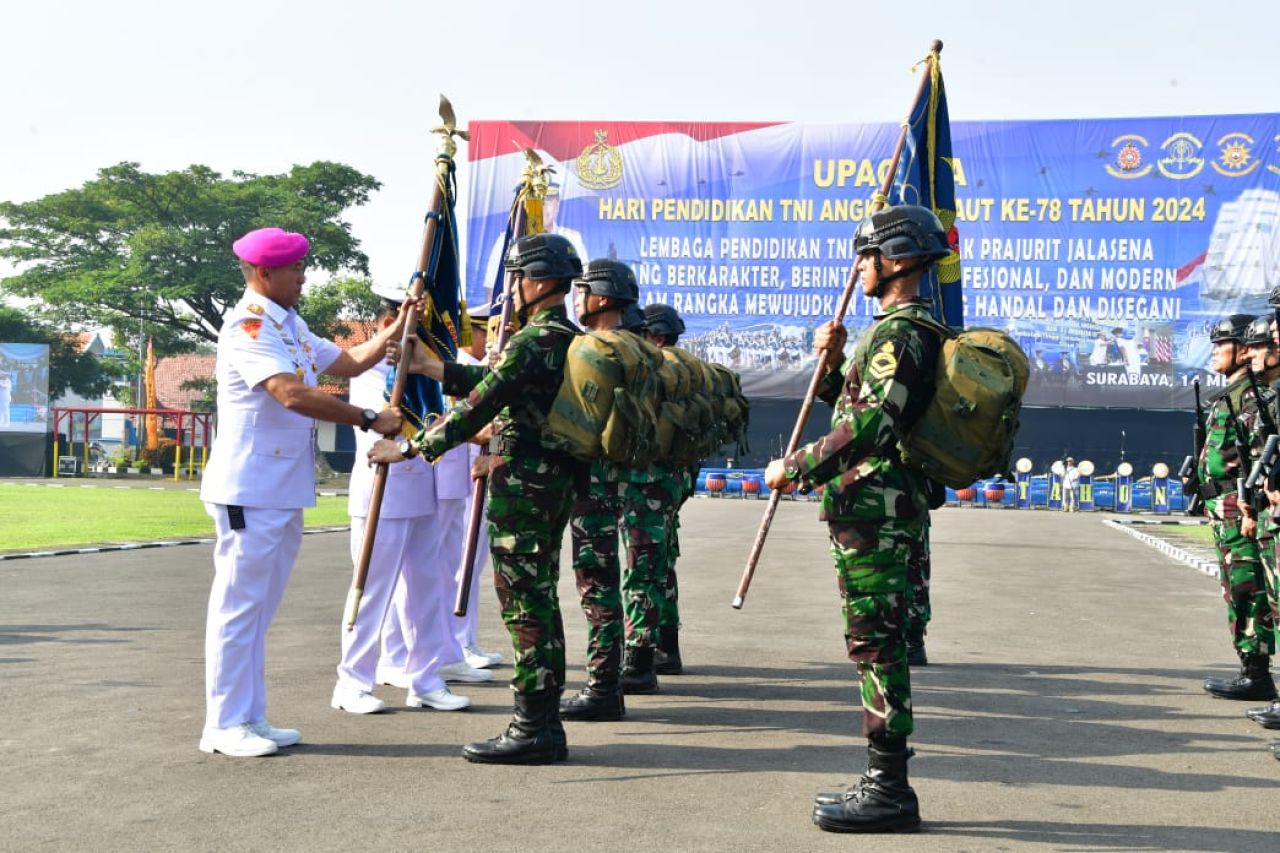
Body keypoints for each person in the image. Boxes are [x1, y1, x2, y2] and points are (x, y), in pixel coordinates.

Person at [764, 205, 951, 833]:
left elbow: (872, 427)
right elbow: (862, 404)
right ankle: (884, 780)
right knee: (875, 643)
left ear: (897, 259)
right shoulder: (896, 332)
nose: (860, 267)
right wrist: (836, 368)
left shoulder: (903, 334)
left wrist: (796, 465)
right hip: (873, 508)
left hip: (877, 510)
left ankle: (889, 788)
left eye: (867, 256)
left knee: (878, 647)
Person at [367, 233, 583, 765]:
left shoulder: (535, 339)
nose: (514, 289)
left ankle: (533, 728)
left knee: (526, 606)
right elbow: (496, 381)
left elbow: (481, 404)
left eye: (519, 278)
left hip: (525, 487)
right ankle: (543, 722)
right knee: (540, 601)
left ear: (542, 281)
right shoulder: (564, 337)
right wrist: (433, 368)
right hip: (552, 481)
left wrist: (413, 448)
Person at [199, 227, 409, 757]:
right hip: (250, 487)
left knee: (259, 610)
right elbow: (290, 394)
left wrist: (400, 325)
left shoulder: (286, 324)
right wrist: (367, 417)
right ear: (265, 273)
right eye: (295, 270)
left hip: (280, 487)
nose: (303, 277)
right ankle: (223, 724)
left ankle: (250, 716)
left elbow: (350, 362)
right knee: (238, 609)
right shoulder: (249, 328)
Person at [331, 283, 472, 718]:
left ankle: (426, 679)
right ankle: (352, 681)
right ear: (390, 321)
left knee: (427, 590)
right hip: (383, 491)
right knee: (372, 591)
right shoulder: (372, 371)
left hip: (421, 487)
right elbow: (386, 425)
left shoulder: (419, 370)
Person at [559, 260, 667, 721]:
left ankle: (603, 687)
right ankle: (619, 674)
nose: (577, 299)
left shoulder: (592, 347)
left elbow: (574, 419)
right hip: (628, 474)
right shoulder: (643, 351)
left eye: (583, 291)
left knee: (596, 583)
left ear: (601, 298)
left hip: (594, 479)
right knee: (619, 578)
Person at [1191, 314, 1277, 702]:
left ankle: (1257, 672)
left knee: (1248, 587)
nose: (1213, 353)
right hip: (1221, 503)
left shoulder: (1250, 396)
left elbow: (1257, 455)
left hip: (1237, 504)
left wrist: (1246, 510)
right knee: (1237, 587)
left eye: (1220, 345)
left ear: (1241, 351)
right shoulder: (1230, 394)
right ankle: (1251, 669)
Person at [642, 302, 693, 678]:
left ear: (657, 336)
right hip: (675, 482)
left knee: (643, 569)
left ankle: (643, 655)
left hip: (650, 482)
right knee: (663, 567)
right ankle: (667, 647)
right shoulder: (689, 372)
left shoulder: (659, 373)